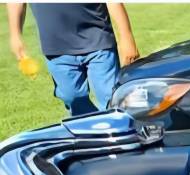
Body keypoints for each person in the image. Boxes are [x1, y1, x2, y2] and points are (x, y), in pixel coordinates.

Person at [7, 3, 139, 115]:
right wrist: (15, 34)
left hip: (98, 40)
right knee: (73, 100)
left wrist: (126, 36)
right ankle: (93, 134)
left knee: (111, 98)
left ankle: (120, 137)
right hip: (56, 47)